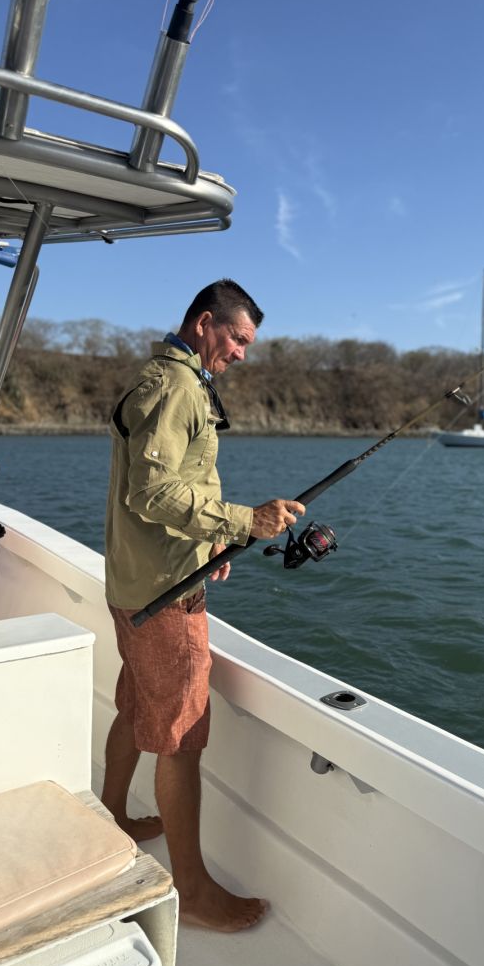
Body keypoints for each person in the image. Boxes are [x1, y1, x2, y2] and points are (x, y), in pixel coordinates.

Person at [101, 278, 304, 932]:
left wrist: (210, 541)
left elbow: (174, 486)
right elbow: (151, 493)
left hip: (136, 580)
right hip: (163, 597)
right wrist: (245, 521)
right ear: (205, 322)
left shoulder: (168, 378)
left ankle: (112, 817)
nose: (242, 353)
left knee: (136, 705)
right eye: (238, 338)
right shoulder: (178, 388)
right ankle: (191, 892)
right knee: (183, 740)